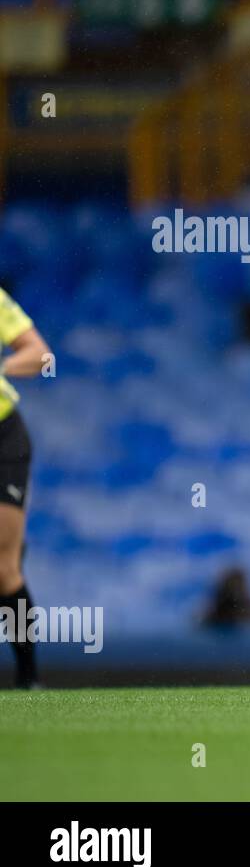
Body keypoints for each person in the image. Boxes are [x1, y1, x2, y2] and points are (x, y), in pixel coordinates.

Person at [0, 285, 51, 689]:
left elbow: (39, 354)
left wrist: (4, 368)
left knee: (3, 568)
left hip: (3, 438)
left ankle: (29, 678)